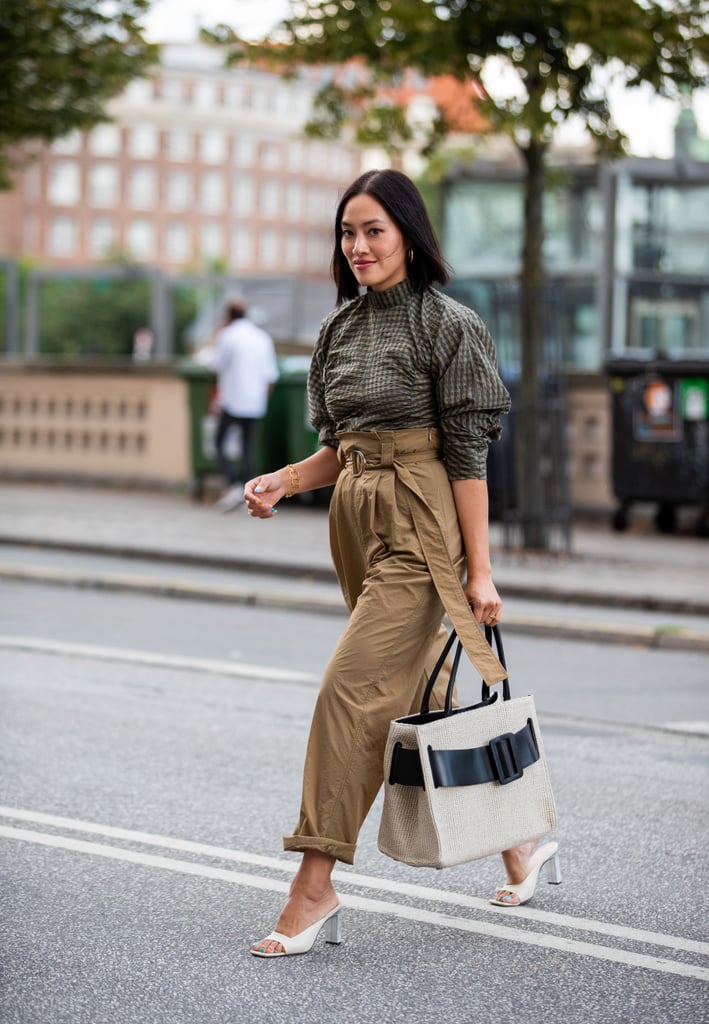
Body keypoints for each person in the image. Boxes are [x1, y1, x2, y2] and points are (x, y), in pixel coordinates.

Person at [244, 169, 561, 958]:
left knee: (351, 694)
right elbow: (337, 447)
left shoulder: (447, 325)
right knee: (411, 690)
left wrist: (478, 571)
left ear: (410, 238)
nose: (357, 246)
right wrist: (283, 481)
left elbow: (466, 458)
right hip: (355, 517)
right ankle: (516, 838)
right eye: (347, 233)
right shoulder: (338, 332)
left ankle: (312, 885)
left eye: (373, 231)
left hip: (423, 520)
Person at [210, 300, 278, 511]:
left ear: (228, 316)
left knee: (219, 443)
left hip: (233, 400)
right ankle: (248, 492)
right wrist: (263, 400)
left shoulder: (228, 336)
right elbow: (271, 375)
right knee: (248, 449)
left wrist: (218, 332)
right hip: (256, 402)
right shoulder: (262, 337)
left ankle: (232, 485)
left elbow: (215, 365)